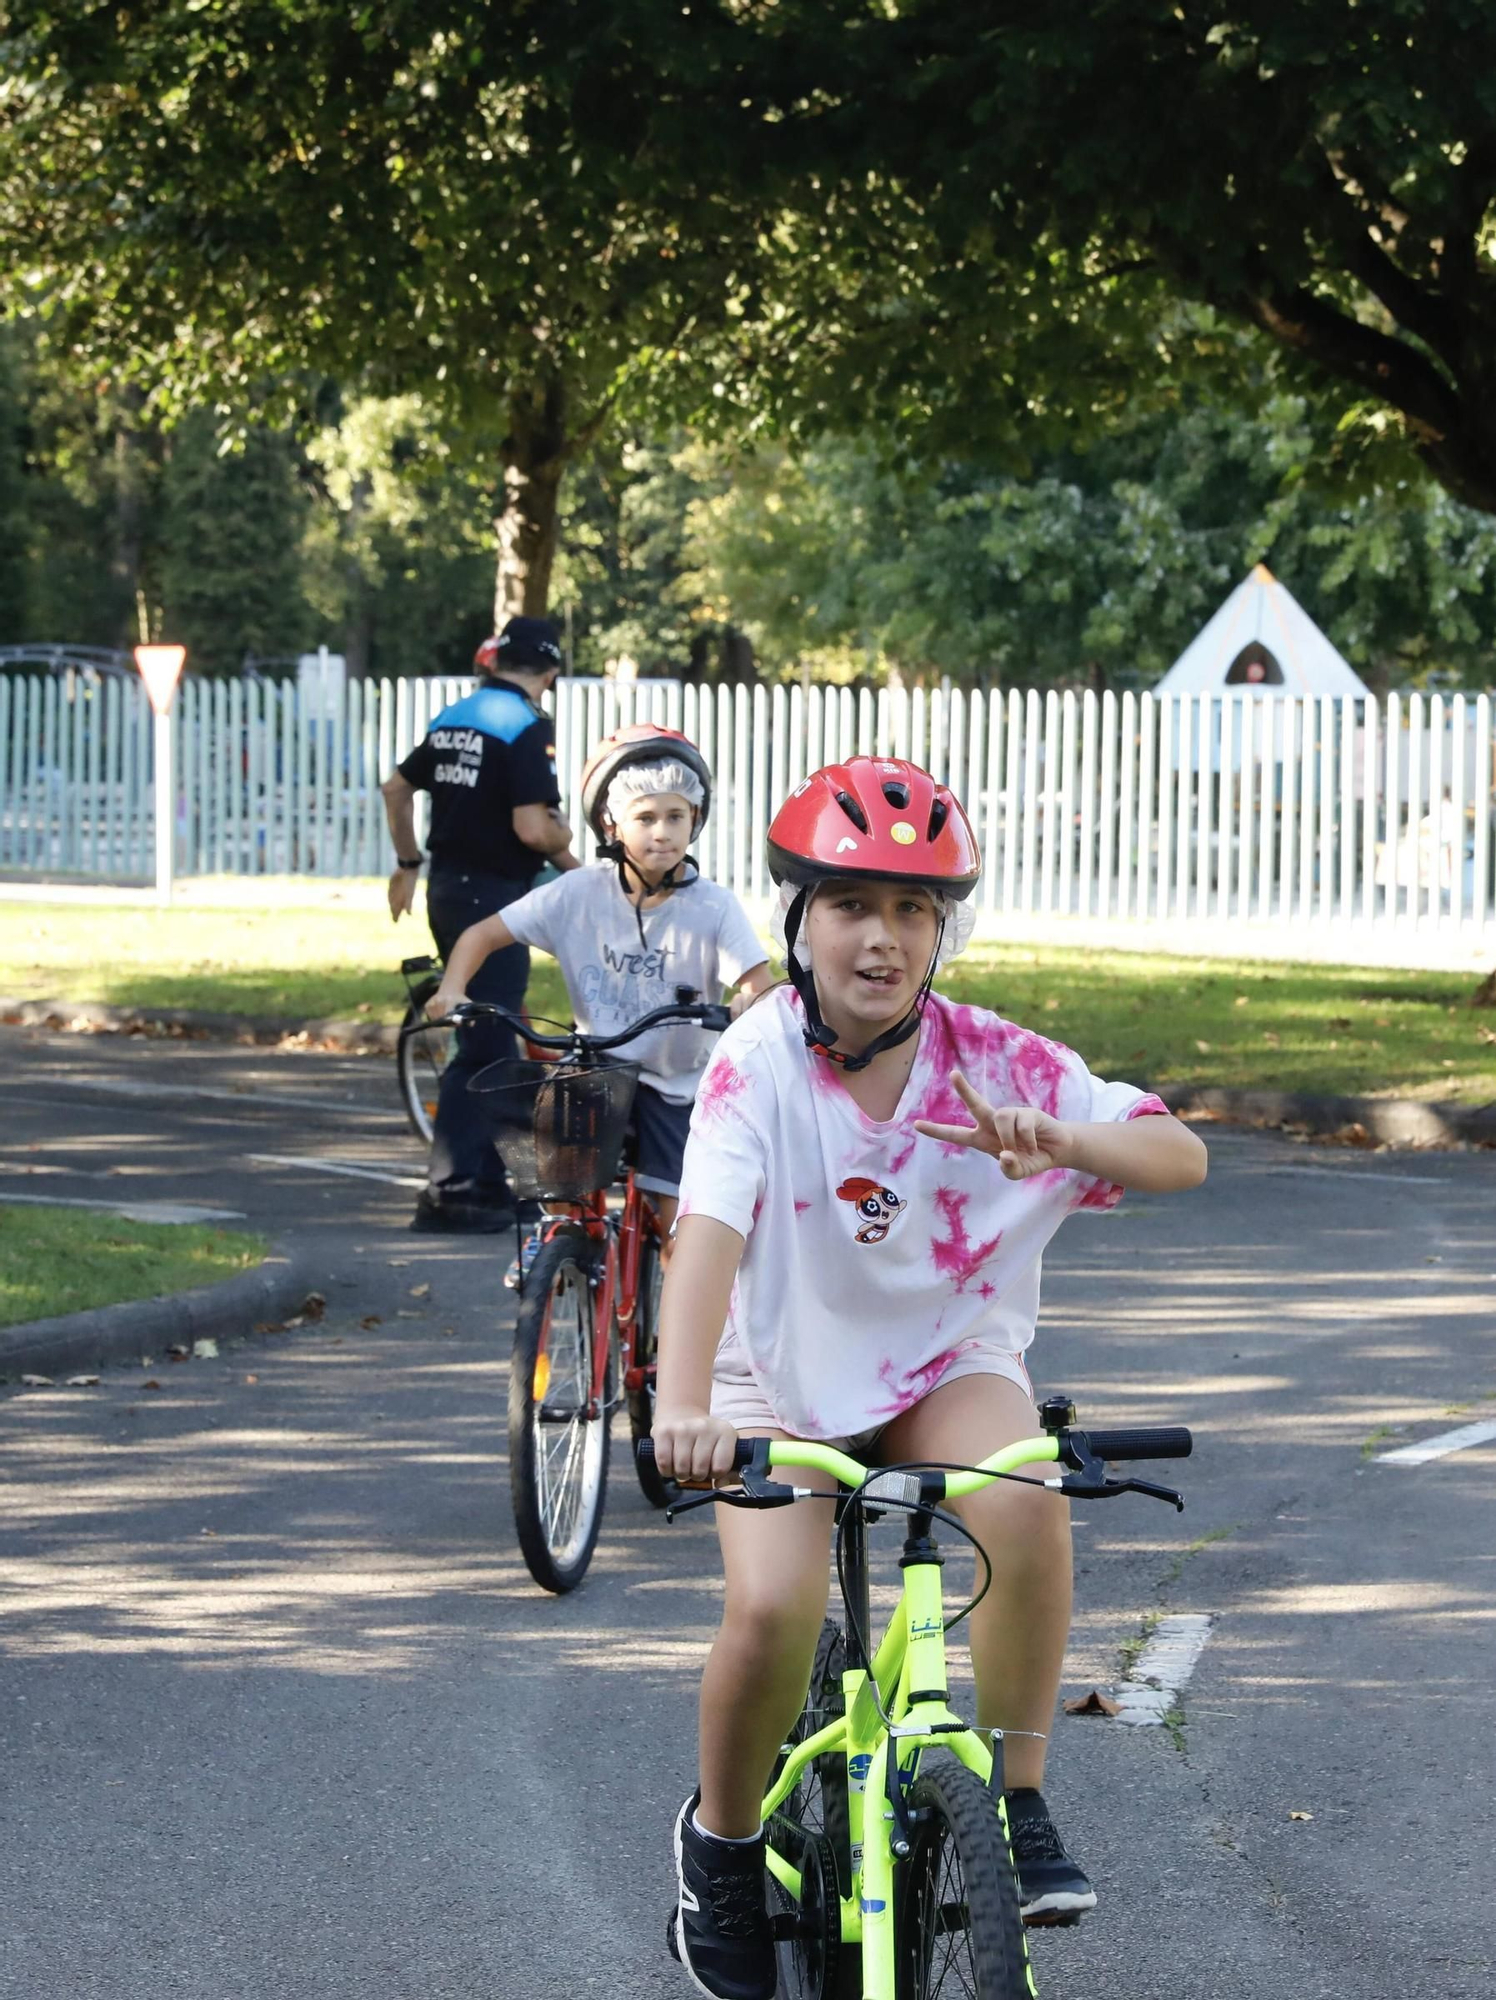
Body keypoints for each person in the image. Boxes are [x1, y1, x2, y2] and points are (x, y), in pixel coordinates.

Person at [651, 755, 1208, 2000]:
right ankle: (722, 1847)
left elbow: (1181, 1155)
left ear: (943, 931)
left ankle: (1013, 1801)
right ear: (798, 917)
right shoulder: (755, 1063)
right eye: (852, 902)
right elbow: (706, 1247)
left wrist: (1063, 1137)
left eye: (913, 909)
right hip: (773, 1365)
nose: (883, 936)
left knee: (1022, 1498)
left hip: (939, 1357)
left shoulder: (993, 1057)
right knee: (774, 1610)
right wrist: (679, 1400)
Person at [427, 724, 775, 1276]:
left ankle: (673, 1341)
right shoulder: (577, 894)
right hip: (596, 1070)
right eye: (645, 818)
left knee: (683, 1232)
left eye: (676, 816)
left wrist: (748, 1002)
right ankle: (568, 1252)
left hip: (677, 1083)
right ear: (611, 823)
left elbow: (761, 983)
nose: (662, 833)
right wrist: (453, 988)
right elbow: (480, 935)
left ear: (695, 820)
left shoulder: (712, 908)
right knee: (557, 1188)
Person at [381, 616, 579, 1233]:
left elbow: (395, 789)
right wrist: (572, 856)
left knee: (493, 1036)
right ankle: (456, 1190)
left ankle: (497, 1182)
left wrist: (408, 862)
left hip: (448, 887)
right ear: (548, 674)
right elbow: (532, 828)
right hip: (492, 895)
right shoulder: (526, 725)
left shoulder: (454, 717)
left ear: (495, 662)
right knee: (488, 1044)